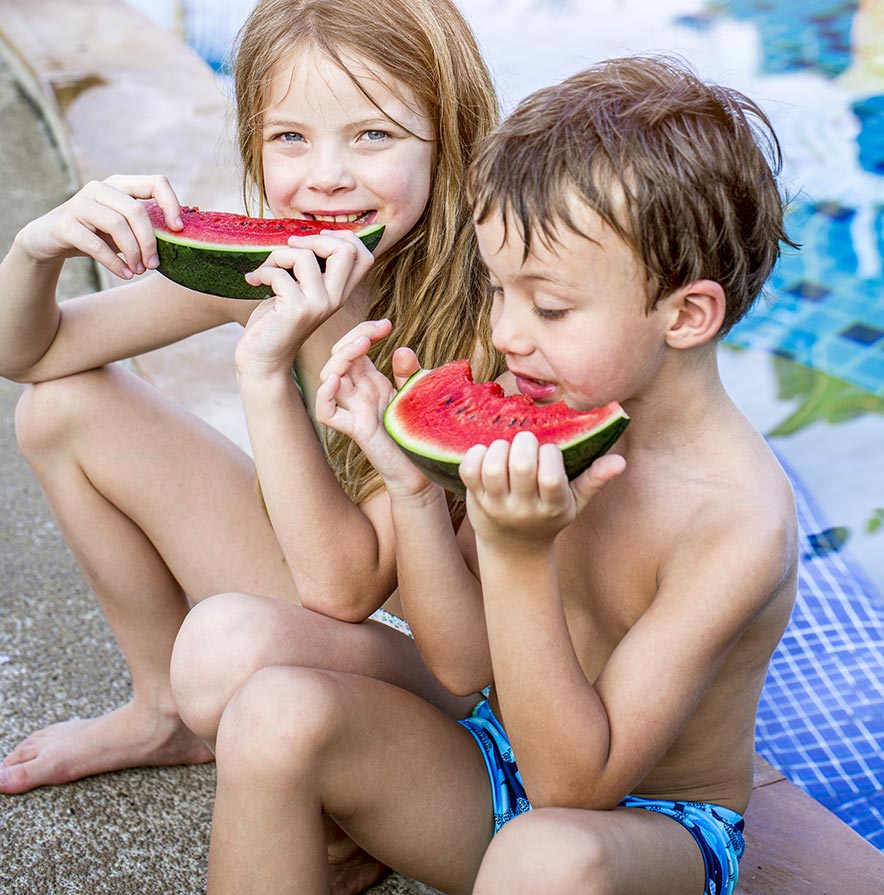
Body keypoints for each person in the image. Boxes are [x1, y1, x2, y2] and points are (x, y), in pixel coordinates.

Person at [191, 53, 800, 895]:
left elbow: (574, 788)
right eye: (496, 289)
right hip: (491, 744)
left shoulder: (735, 521)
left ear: (687, 314)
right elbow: (460, 664)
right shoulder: (539, 396)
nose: (508, 335)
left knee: (542, 857)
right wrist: (410, 487)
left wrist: (518, 553)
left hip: (644, 825)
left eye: (548, 306)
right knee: (270, 711)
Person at [0, 0, 501, 797]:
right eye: (290, 138)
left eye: (373, 134)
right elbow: (31, 354)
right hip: (329, 609)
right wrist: (35, 247)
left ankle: (367, 775)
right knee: (61, 410)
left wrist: (267, 375)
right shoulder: (271, 264)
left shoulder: (480, 325)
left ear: (448, 138)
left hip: (444, 676)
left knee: (232, 644)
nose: (327, 176)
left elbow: (346, 588)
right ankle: (163, 707)